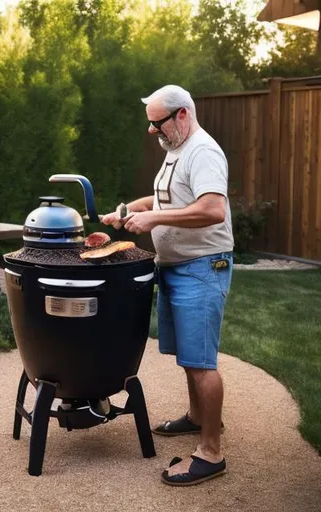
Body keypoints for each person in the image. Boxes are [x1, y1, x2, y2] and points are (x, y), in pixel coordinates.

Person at [101, 84, 234, 486]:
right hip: (177, 266)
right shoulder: (176, 150)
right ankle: (197, 418)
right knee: (188, 357)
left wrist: (155, 221)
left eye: (157, 123)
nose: (152, 132)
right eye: (150, 125)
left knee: (201, 361)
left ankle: (211, 452)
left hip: (202, 267)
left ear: (181, 115)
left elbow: (213, 209)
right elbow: (169, 198)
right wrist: (131, 209)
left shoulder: (203, 151)